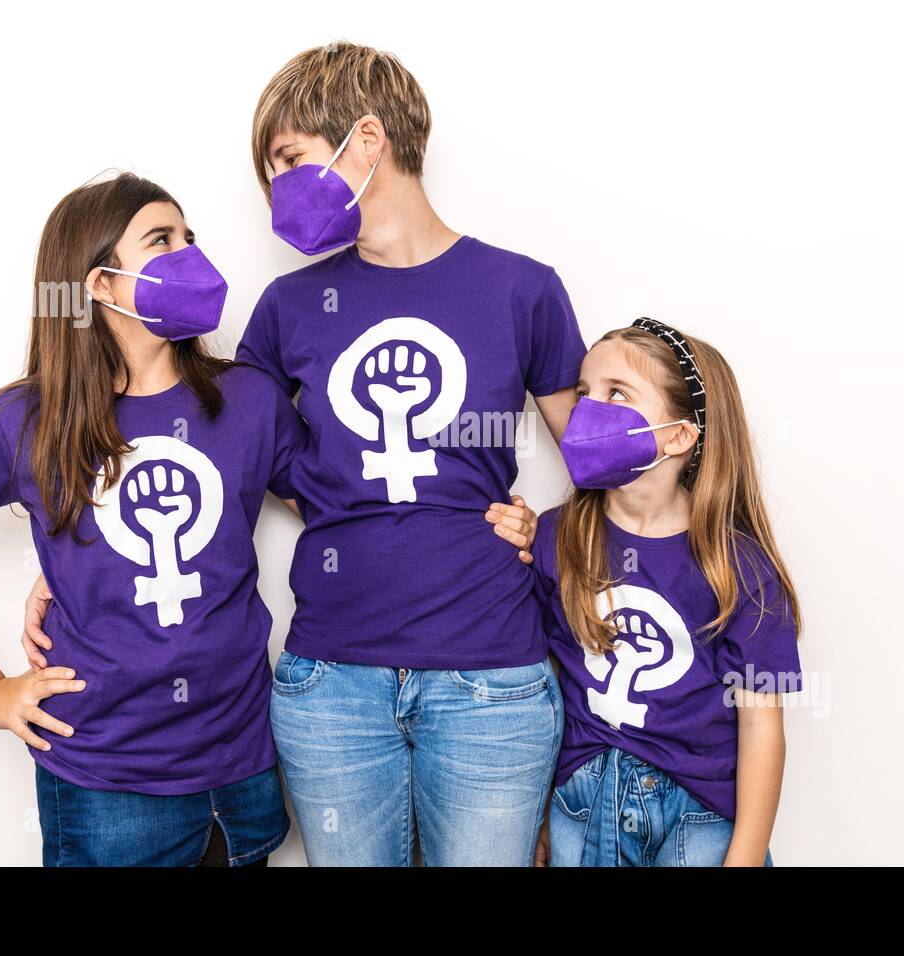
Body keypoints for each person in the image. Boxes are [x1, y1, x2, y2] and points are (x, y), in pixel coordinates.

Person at [0, 173, 306, 866]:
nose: (189, 255)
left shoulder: (250, 401)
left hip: (245, 767)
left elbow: (346, 513)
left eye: (188, 237)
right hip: (107, 784)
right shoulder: (21, 423)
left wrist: (490, 520)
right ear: (99, 284)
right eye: (161, 241)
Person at [241, 42, 587, 865]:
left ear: (368, 139)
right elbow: (226, 453)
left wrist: (554, 531)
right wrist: (73, 554)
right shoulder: (290, 307)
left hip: (491, 682)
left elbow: (605, 465)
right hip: (331, 686)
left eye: (290, 159)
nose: (278, 191)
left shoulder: (521, 288)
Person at [531, 319, 803, 867]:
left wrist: (745, 857)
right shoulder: (555, 537)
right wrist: (539, 813)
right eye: (585, 393)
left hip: (699, 817)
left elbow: (761, 724)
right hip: (582, 805)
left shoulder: (740, 569)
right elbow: (545, 687)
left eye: (617, 394)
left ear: (679, 434)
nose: (588, 410)